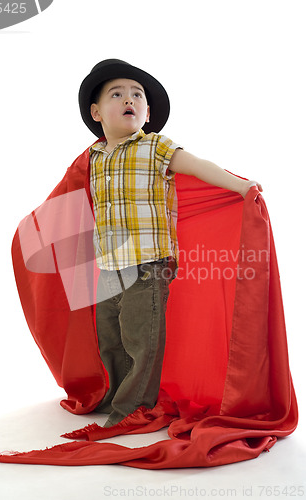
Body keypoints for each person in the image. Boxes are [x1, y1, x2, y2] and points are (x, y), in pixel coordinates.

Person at [78, 59, 262, 428]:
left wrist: (240, 186)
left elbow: (196, 165)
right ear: (97, 112)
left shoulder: (155, 147)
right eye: (117, 94)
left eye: (137, 95)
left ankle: (133, 409)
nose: (129, 98)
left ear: (147, 113)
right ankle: (115, 393)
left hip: (148, 263)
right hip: (109, 265)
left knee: (140, 335)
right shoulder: (93, 157)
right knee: (110, 337)